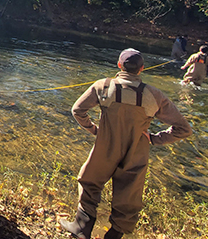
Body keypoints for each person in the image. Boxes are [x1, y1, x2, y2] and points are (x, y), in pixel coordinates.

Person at [61, 48, 192, 239]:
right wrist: (155, 139)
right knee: (128, 194)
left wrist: (94, 129)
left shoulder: (103, 86)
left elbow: (77, 110)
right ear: (142, 69)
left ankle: (82, 228)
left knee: (90, 182)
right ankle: (113, 236)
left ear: (119, 65)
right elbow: (184, 129)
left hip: (106, 144)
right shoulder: (154, 95)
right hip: (137, 150)